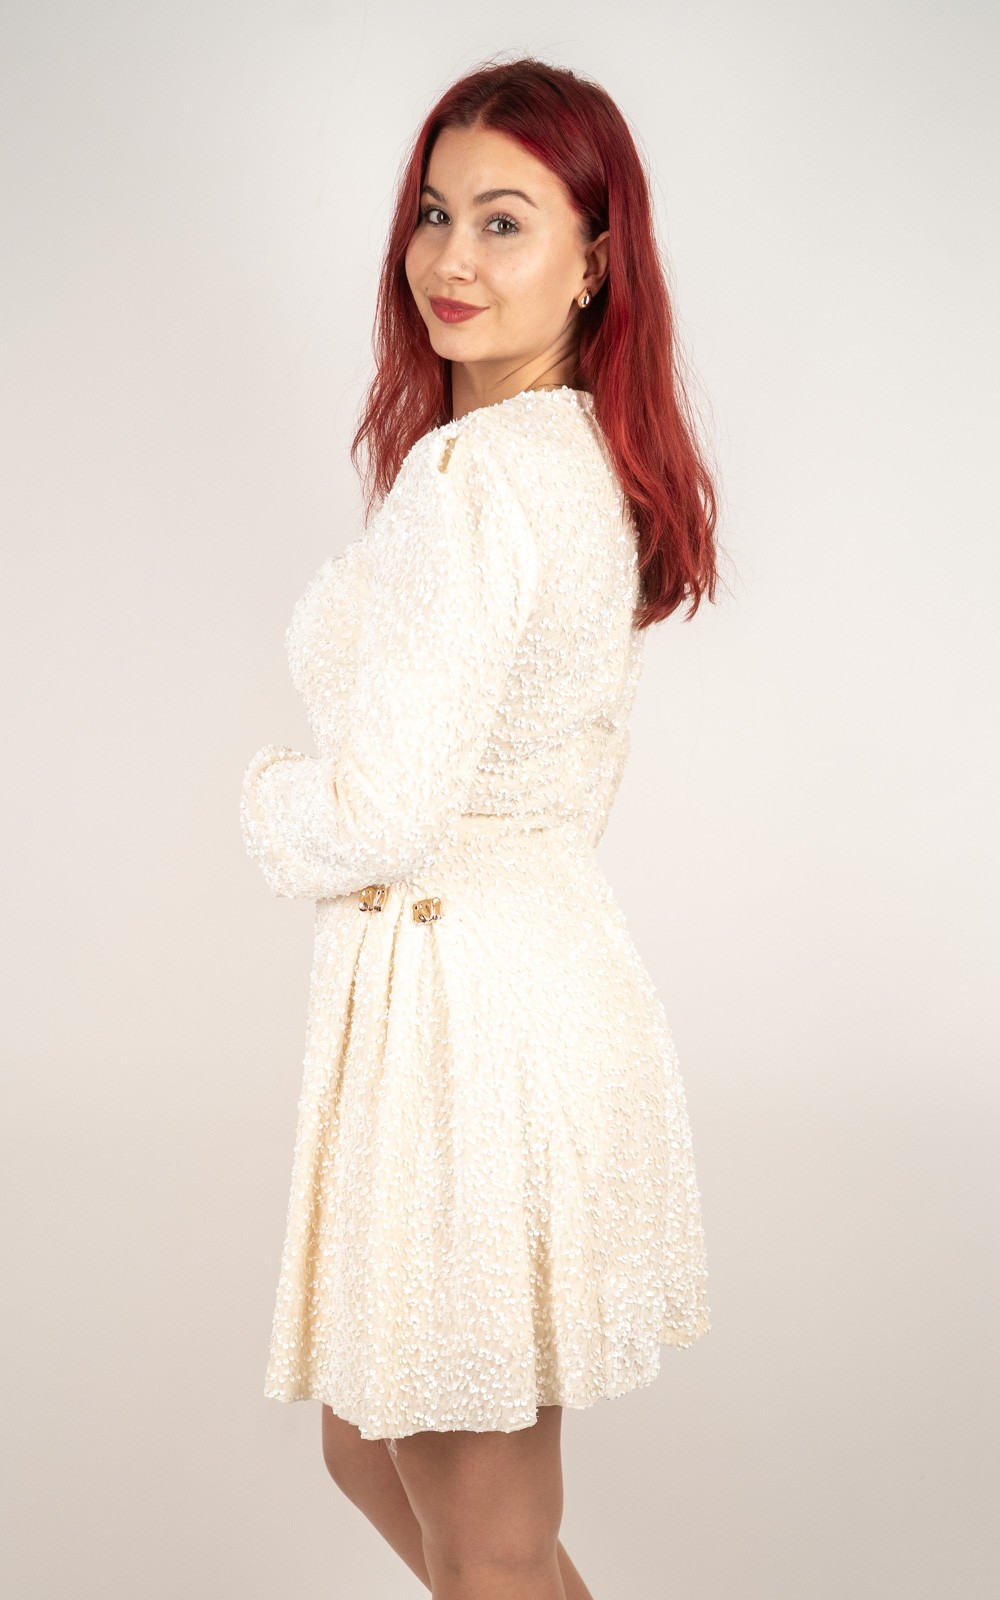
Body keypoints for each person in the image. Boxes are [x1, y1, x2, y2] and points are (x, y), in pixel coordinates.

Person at [240, 54, 719, 1600]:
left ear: (594, 262)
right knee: (381, 1455)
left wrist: (261, 796)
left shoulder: (474, 479)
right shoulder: (574, 460)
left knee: (486, 1532)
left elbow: (381, 812)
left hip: (469, 1029)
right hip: (522, 990)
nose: (450, 257)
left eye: (504, 221)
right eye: (435, 213)